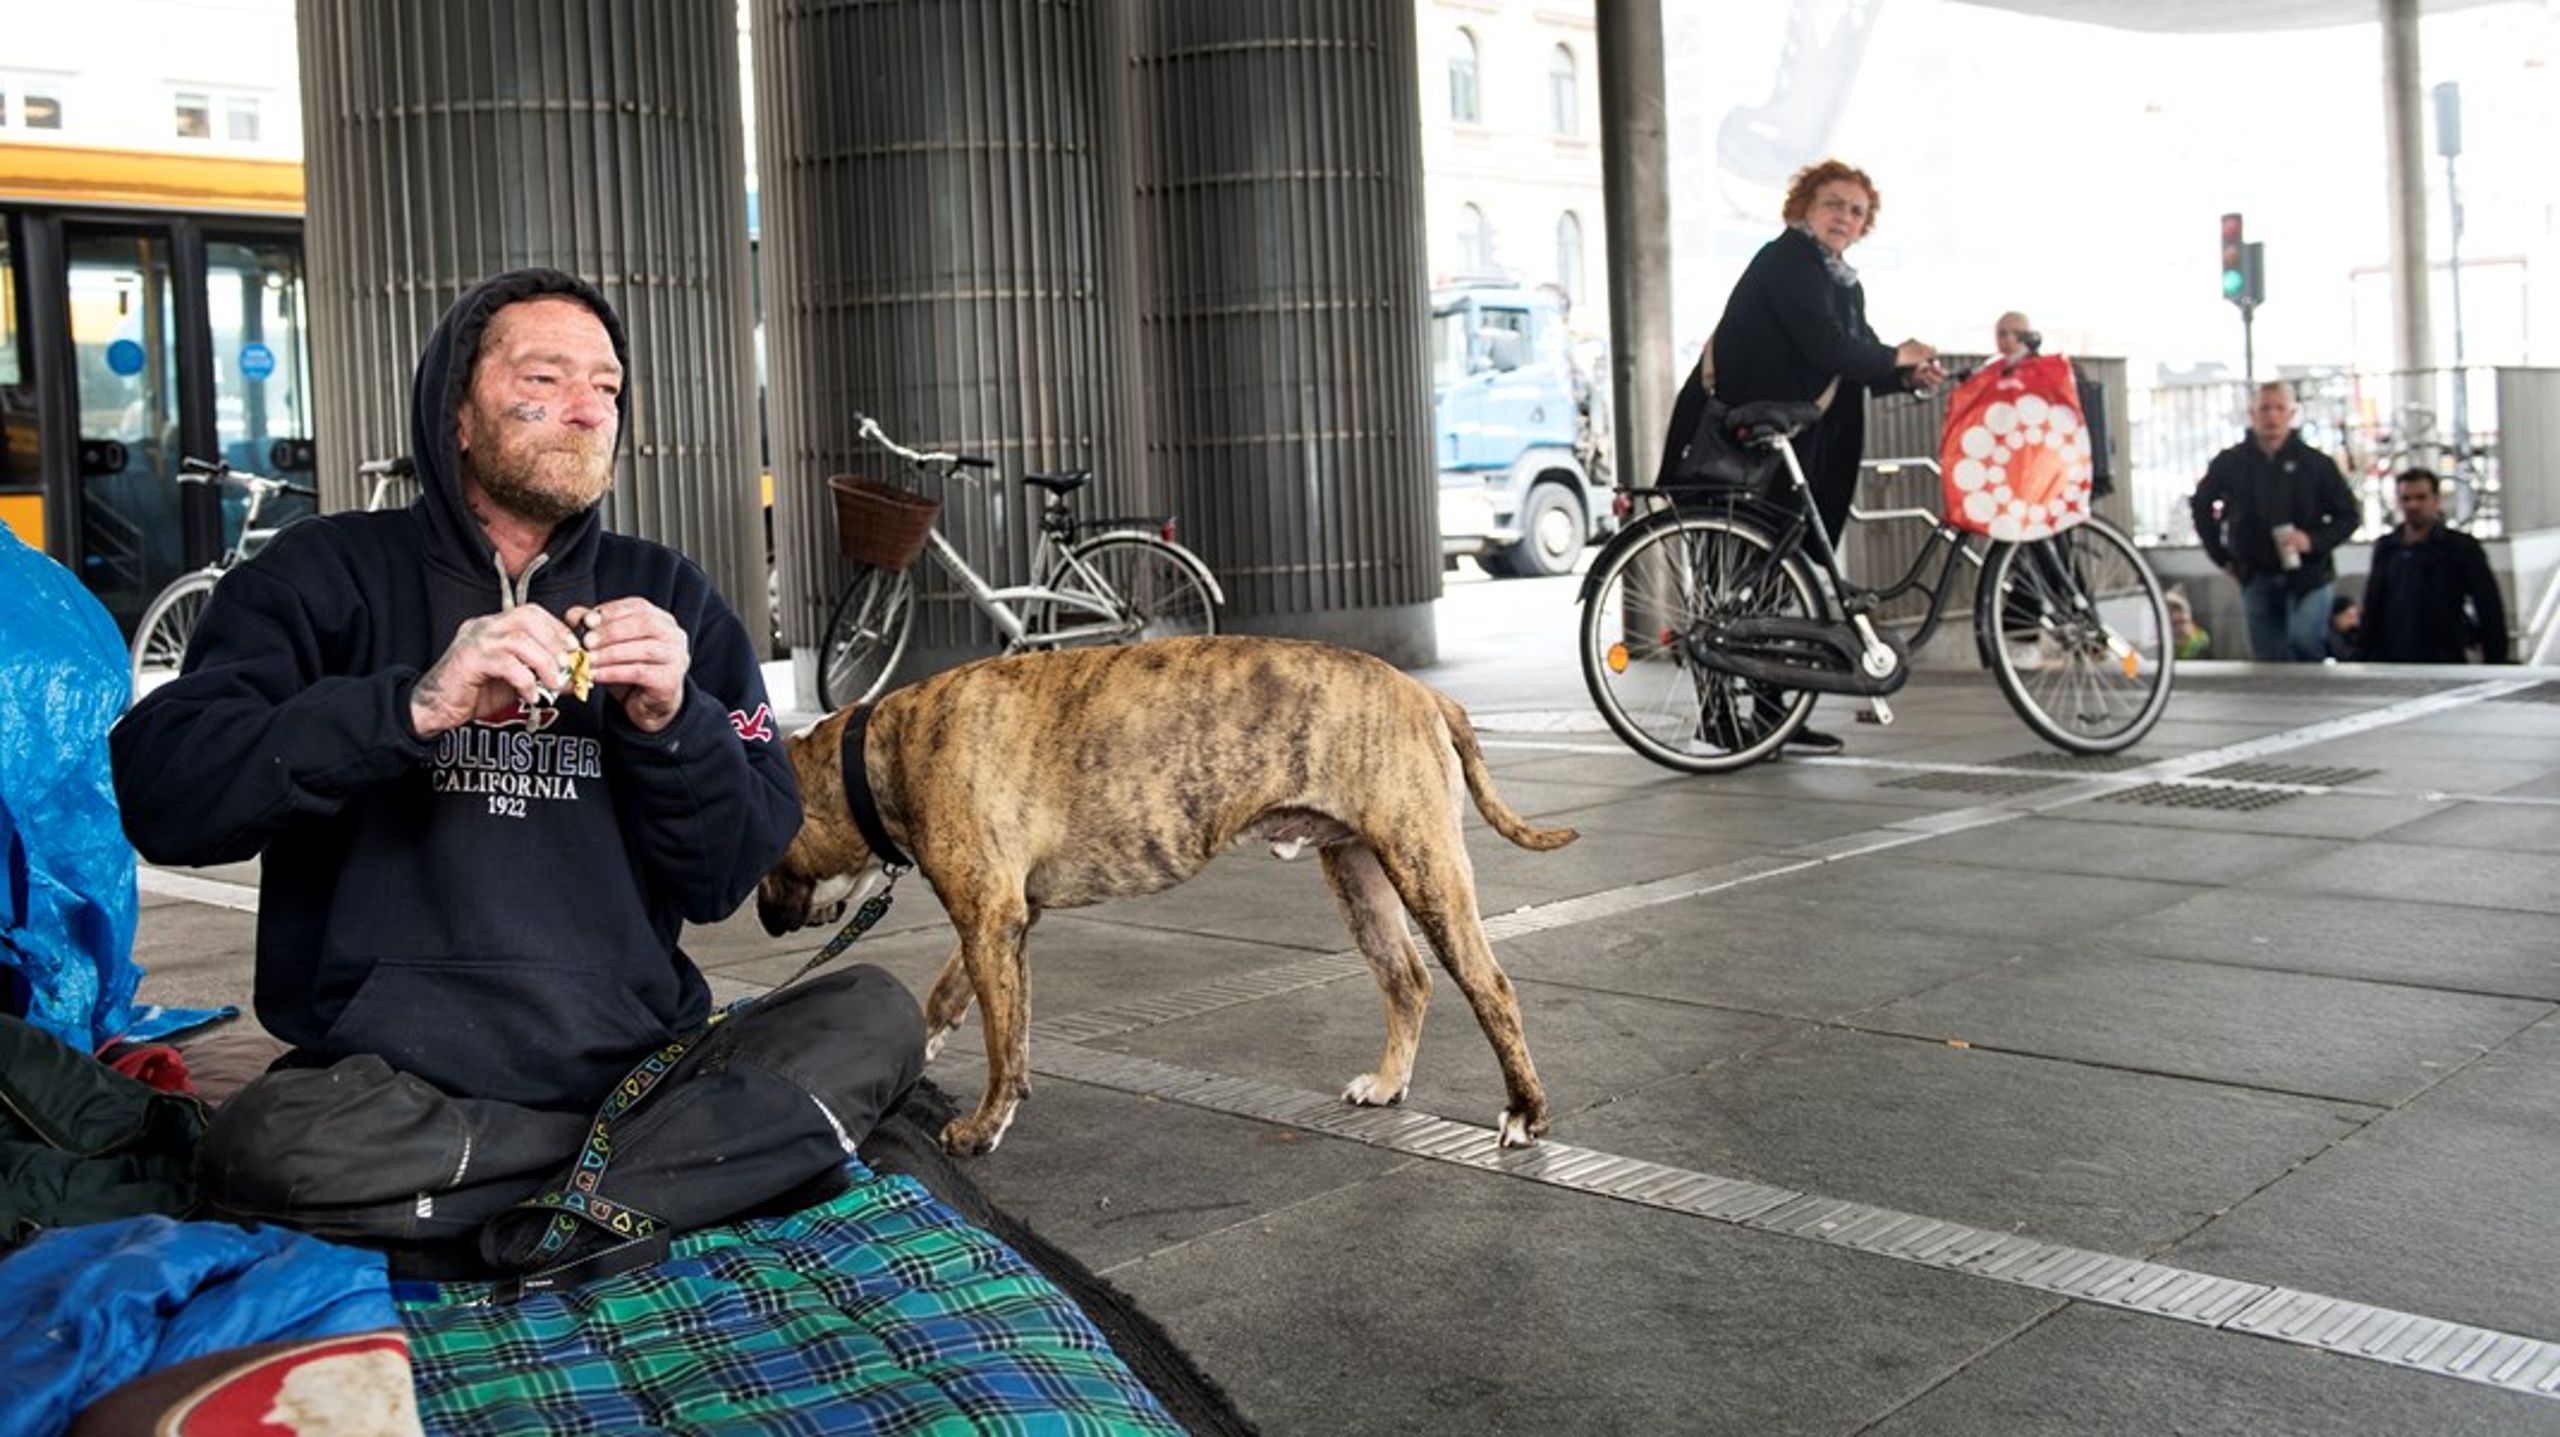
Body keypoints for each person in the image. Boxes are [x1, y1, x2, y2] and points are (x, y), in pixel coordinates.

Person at [112, 268, 924, 1279]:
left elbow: (728, 874)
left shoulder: (669, 598)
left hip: (637, 1075)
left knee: (876, 1013)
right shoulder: (318, 576)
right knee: (265, 1145)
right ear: (455, 413)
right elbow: (165, 793)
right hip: (392, 1091)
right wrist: (413, 707)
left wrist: (674, 723)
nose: (589, 410)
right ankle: (633, 1191)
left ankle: (519, 1201)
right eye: (546, 377)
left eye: (609, 388)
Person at [1657, 157, 1941, 752]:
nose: (1845, 216)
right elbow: (1827, 345)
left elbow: (1853, 355)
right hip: (1735, 445)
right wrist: (1896, 357)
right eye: (1834, 203)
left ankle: (1769, 712)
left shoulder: (1840, 279)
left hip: (1784, 447)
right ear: (1804, 207)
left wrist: (1905, 375)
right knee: (1726, 587)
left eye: (1857, 211)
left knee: (1776, 583)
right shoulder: (1787, 261)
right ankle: (1720, 715)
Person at [2187, 381, 2359, 662]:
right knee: (2270, 657)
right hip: (2256, 573)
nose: (2272, 416)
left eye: (2280, 408)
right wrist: (2222, 557)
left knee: (2305, 640)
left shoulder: (2316, 464)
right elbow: (2201, 506)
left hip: (2310, 574)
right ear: (2252, 413)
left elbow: (2349, 516)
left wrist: (2312, 540)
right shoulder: (2231, 462)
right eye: (2265, 408)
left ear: (2291, 414)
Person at [2357, 467, 2512, 663]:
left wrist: (2495, 659)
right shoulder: (2387, 548)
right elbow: (2373, 604)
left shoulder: (2460, 547)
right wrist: (2361, 655)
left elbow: (2488, 605)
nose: (2413, 505)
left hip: (2443, 656)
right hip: (2392, 657)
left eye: (2421, 497)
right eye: (2406, 498)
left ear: (2436, 500)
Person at [2165, 588, 2212, 661]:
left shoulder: (2201, 641)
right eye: (2169, 610)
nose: (2174, 616)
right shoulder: (2161, 641)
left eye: (2178, 609)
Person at [2326, 594, 2362, 663]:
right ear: (2336, 616)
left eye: (2356, 617)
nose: (2354, 622)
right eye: (2349, 616)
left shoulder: (2354, 633)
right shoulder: (2329, 635)